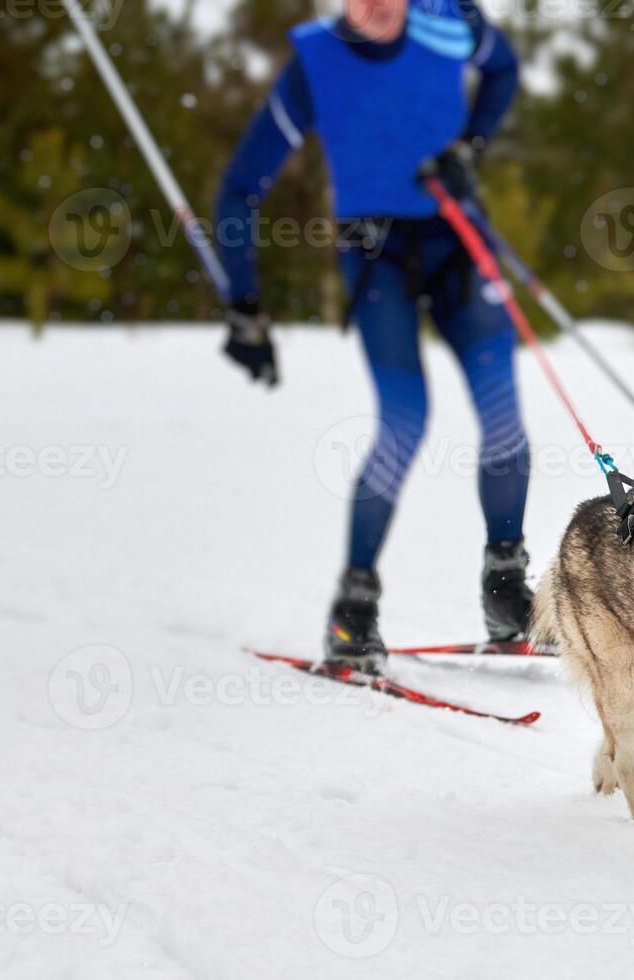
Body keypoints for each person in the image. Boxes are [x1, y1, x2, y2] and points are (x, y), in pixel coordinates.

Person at [214, 0, 531, 672]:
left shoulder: (449, 25)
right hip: (375, 254)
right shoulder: (314, 65)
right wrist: (243, 303)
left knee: (502, 413)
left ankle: (506, 586)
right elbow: (241, 188)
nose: (378, 5)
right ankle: (353, 608)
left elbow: (503, 69)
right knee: (404, 422)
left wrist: (468, 148)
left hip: (457, 240)